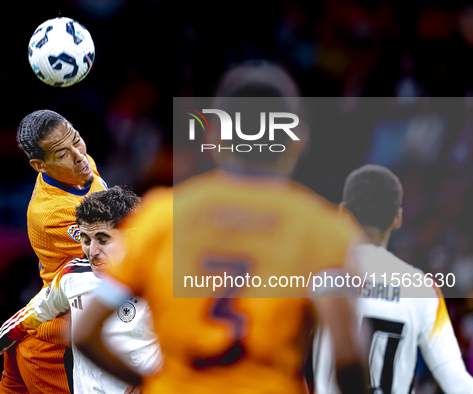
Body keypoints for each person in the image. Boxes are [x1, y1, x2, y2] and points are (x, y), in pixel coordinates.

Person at [71, 62, 367, 394]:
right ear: (297, 139)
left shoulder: (161, 215)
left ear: (214, 135)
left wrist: (155, 385)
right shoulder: (324, 228)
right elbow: (348, 357)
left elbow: (85, 334)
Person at [0, 109, 109, 394]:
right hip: (57, 344)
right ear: (40, 165)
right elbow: (118, 258)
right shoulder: (52, 214)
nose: (78, 156)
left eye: (77, 139)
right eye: (62, 154)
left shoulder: (80, 167)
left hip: (37, 327)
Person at [0, 187, 161, 394]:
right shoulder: (73, 276)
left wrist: (151, 381)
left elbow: (186, 339)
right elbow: (33, 312)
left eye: (103, 239)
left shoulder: (161, 278)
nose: (93, 251)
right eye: (86, 240)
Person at [313, 164, 473, 394]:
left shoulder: (320, 277)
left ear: (343, 212)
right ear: (397, 218)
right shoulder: (424, 288)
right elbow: (457, 384)